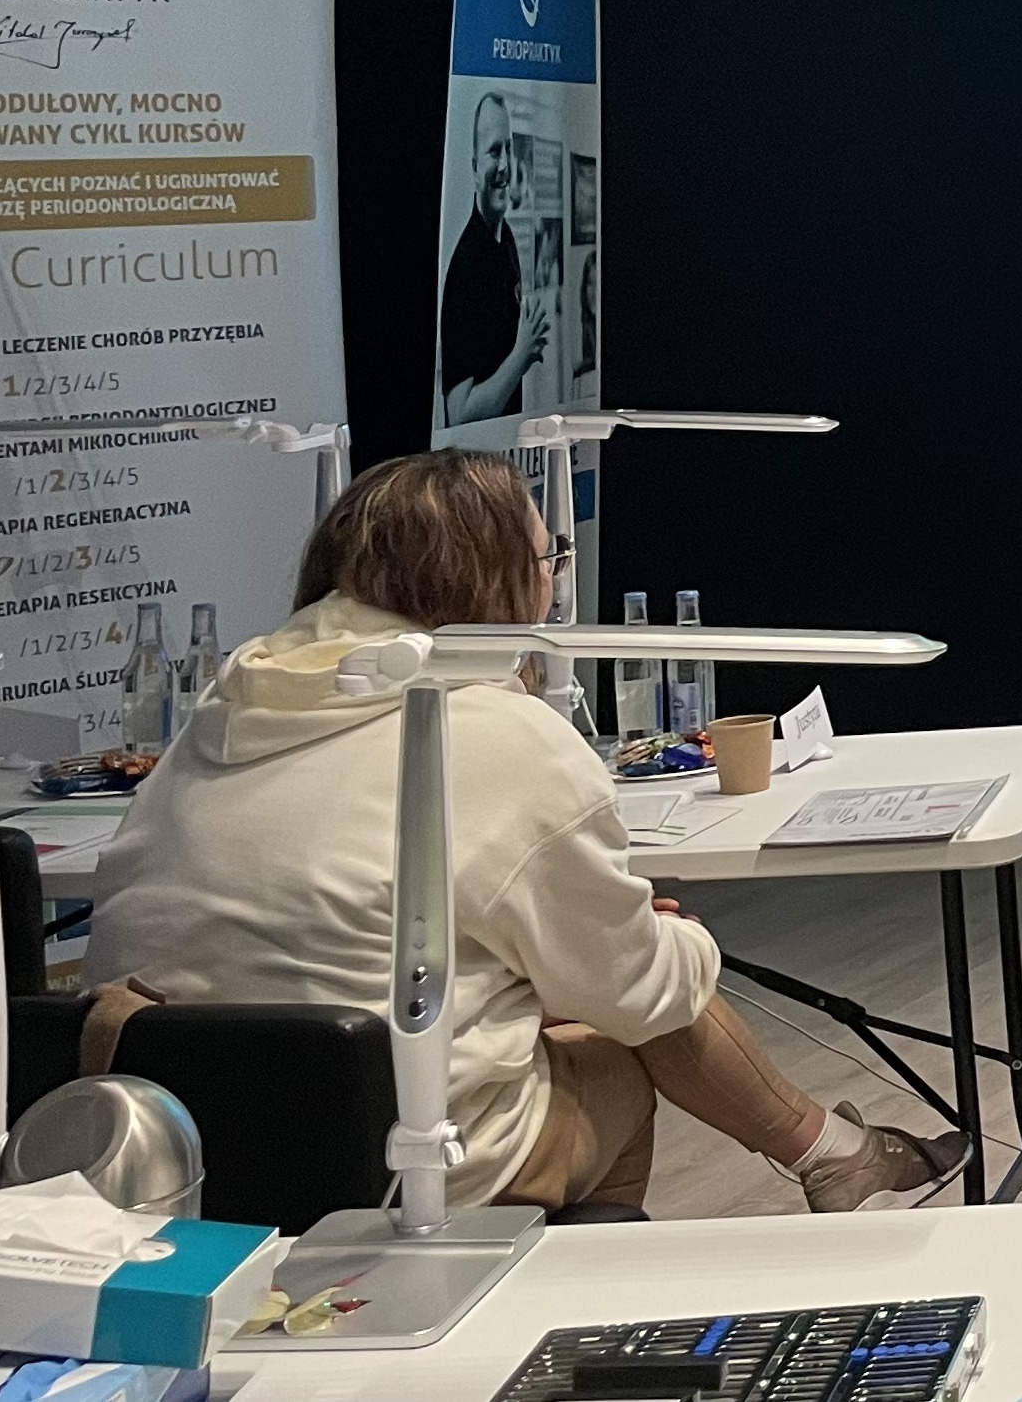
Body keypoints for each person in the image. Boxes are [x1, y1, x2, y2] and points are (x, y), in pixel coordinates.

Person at [90, 452, 964, 1214]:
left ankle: (836, 1157)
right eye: (549, 559)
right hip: (392, 1159)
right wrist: (681, 941)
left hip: (164, 1148)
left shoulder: (222, 711)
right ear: (497, 578)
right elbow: (635, 993)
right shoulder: (499, 735)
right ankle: (587, 1283)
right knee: (619, 1044)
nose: (553, 580)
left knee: (580, 983)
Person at [439, 91, 548, 426]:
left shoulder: (507, 239)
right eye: (493, 151)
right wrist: (521, 355)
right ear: (475, 168)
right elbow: (459, 414)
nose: (504, 165)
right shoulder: (466, 267)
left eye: (509, 149)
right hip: (474, 459)